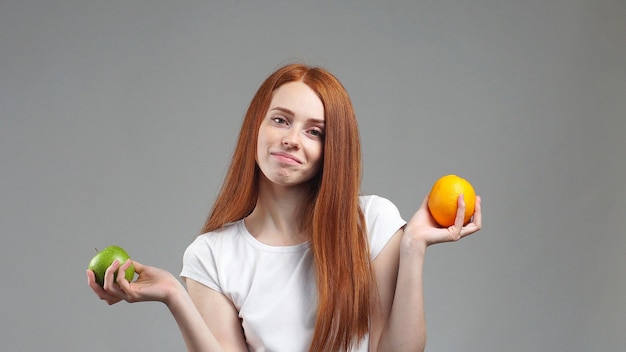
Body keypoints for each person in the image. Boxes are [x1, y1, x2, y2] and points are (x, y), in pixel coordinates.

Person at [87, 63, 482, 352]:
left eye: (315, 131)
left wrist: (413, 247)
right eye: (280, 120)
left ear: (333, 150)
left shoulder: (372, 223)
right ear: (255, 128)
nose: (293, 139)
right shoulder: (211, 256)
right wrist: (174, 295)